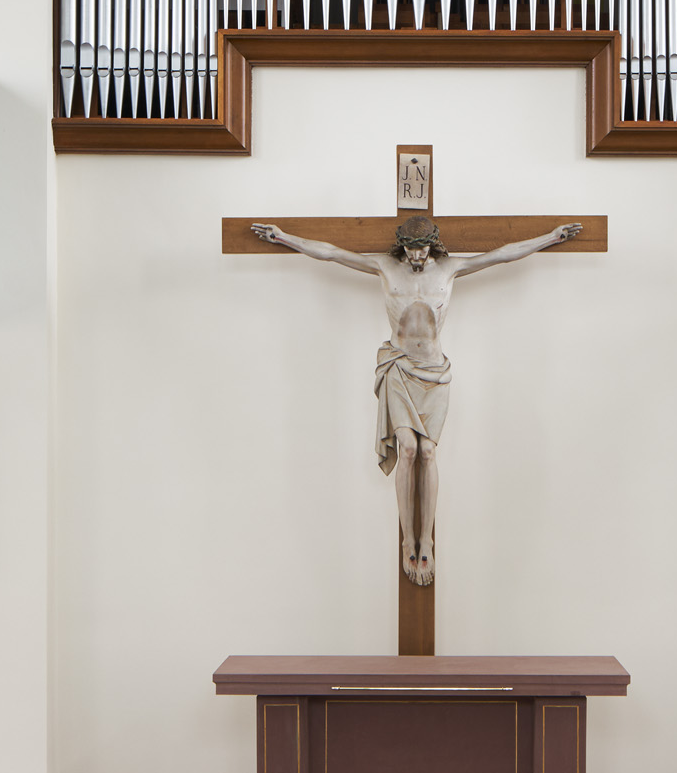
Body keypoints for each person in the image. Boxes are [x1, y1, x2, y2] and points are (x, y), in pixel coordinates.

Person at [249, 211, 582, 584]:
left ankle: (428, 540)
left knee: (428, 452)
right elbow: (330, 252)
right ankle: (408, 539)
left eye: (422, 250)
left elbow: (504, 253)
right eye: (410, 250)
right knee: (407, 449)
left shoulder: (450, 269)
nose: (417, 258)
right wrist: (283, 237)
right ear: (401, 246)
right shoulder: (384, 267)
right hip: (399, 368)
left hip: (435, 374)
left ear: (433, 245)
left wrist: (551, 237)